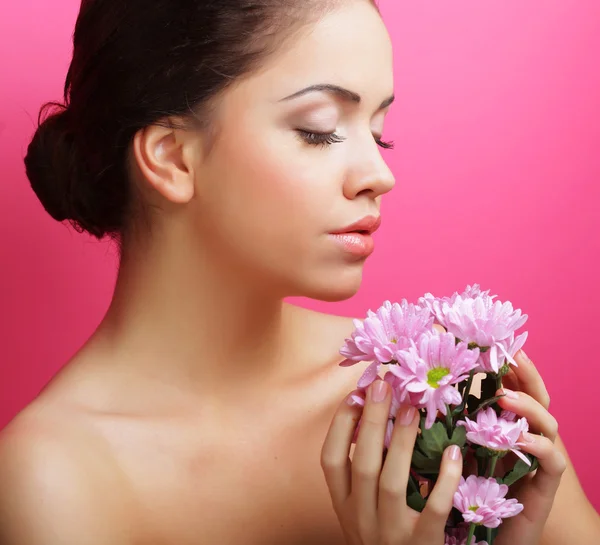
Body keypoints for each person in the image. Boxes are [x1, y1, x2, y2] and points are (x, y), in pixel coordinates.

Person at [1, 0, 598, 543]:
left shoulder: (426, 389)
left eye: (379, 135)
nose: (378, 175)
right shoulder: (54, 478)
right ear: (174, 158)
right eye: (319, 130)